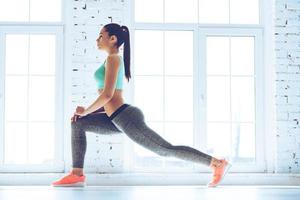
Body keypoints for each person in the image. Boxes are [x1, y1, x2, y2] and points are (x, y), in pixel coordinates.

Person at [51, 23, 232, 188]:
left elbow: (107, 95)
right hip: (114, 118)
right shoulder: (110, 60)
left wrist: (85, 110)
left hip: (125, 117)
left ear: (112, 39)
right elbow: (108, 98)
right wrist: (84, 115)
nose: (97, 39)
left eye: (100, 36)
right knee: (78, 123)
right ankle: (77, 174)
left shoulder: (114, 58)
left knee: (164, 150)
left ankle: (217, 163)